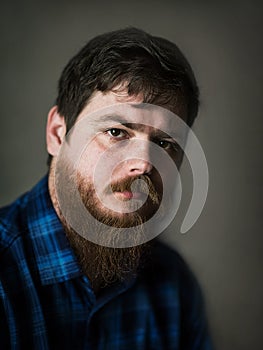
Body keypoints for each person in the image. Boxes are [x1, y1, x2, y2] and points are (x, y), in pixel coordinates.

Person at [0, 28, 213, 349]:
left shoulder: (172, 284)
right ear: (58, 134)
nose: (143, 164)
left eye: (164, 143)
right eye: (116, 131)